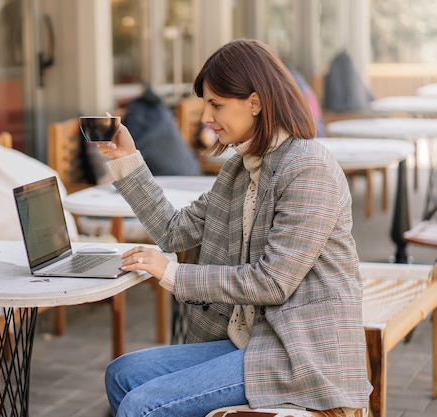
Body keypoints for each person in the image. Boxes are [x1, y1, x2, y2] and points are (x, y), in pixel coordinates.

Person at [97, 39, 371, 417]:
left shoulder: (308, 169)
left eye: (216, 104)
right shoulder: (240, 169)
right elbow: (174, 231)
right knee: (122, 374)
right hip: (252, 339)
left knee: (144, 405)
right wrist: (126, 159)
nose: (206, 117)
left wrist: (174, 273)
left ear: (255, 103)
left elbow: (273, 282)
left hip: (298, 352)